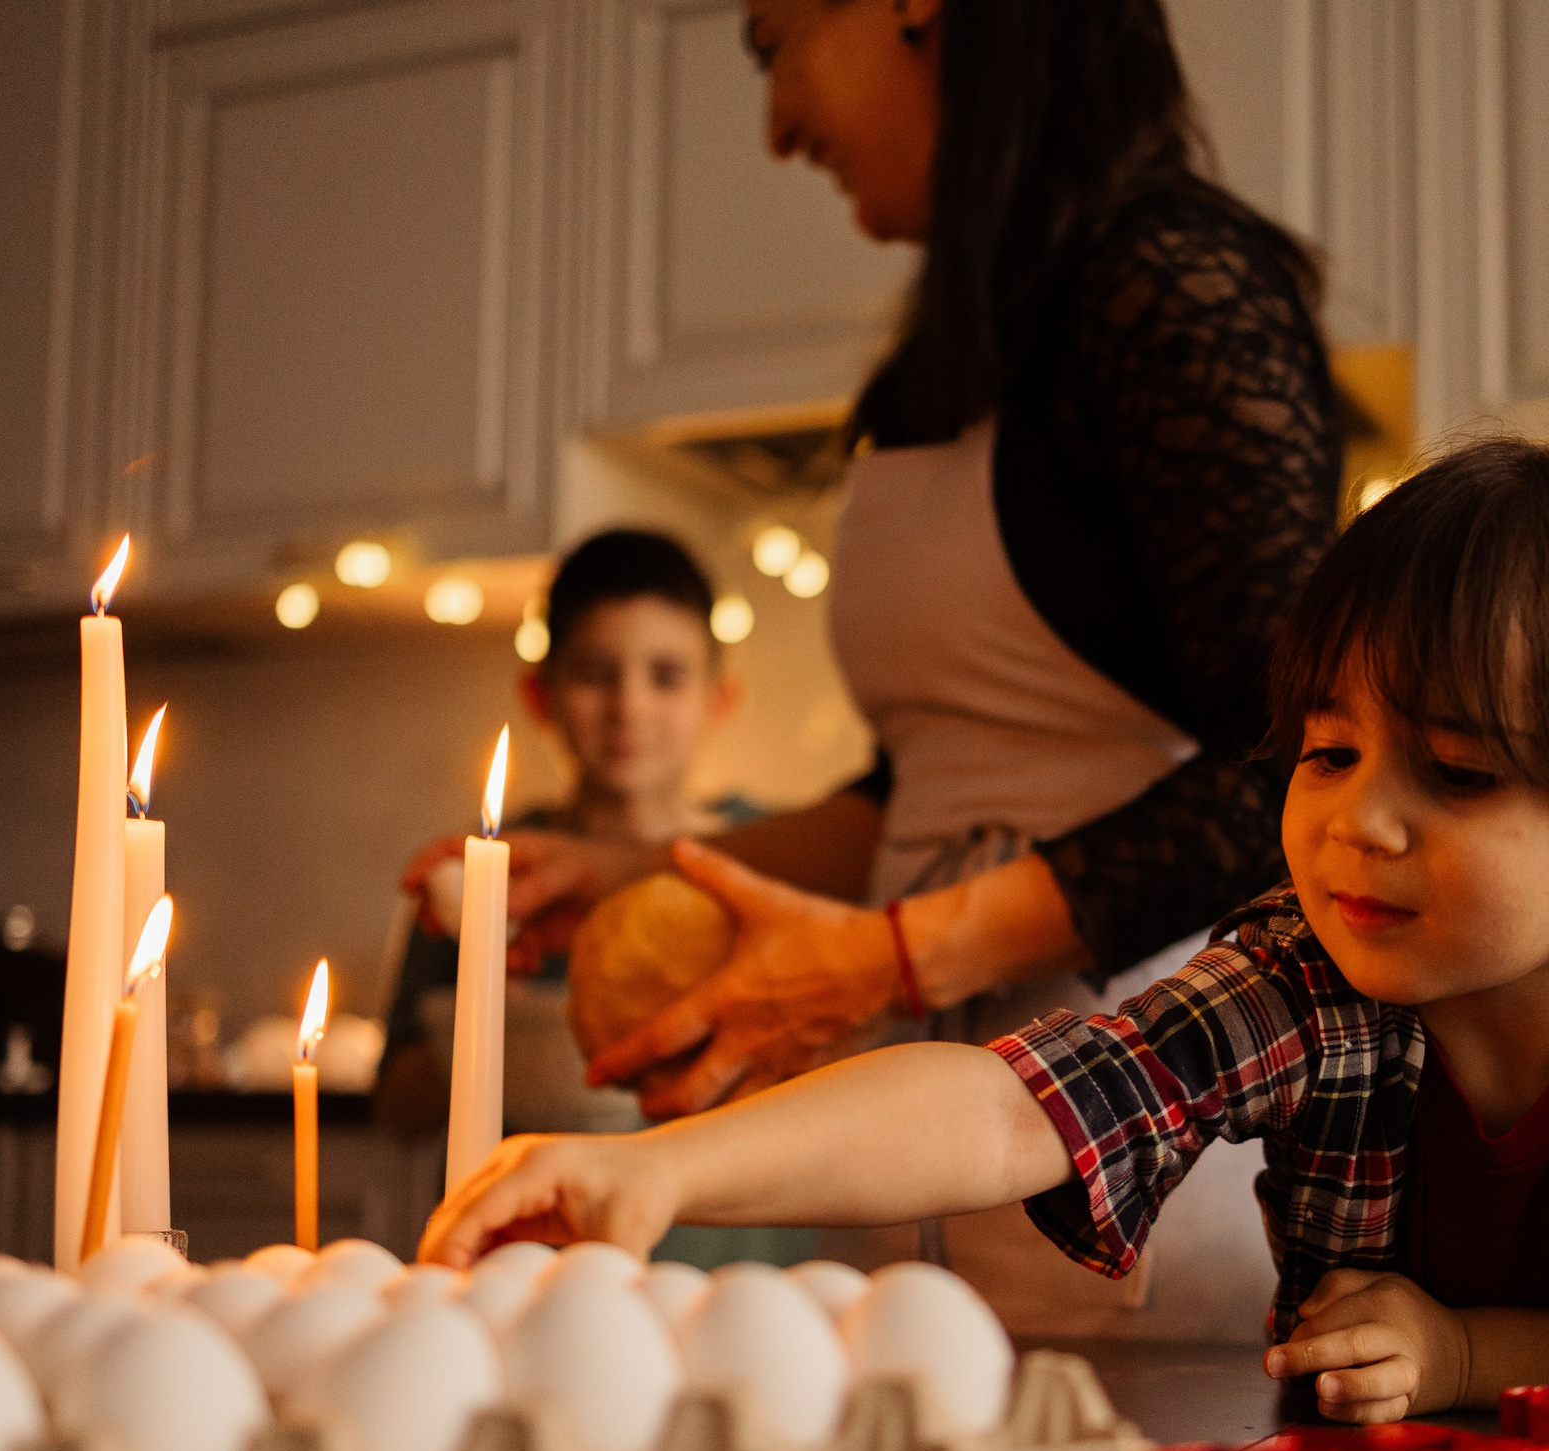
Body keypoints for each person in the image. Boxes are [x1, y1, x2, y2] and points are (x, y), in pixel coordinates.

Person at [422, 439, 1549, 1413]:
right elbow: (1016, 1099)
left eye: (1458, 772)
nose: (1355, 820)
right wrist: (662, 1168)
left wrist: (1468, 1346)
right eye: (1326, 748)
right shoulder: (1321, 977)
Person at [492, 0, 1347, 1335]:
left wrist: (894, 952)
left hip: (1137, 1138)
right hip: (918, 1134)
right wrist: (640, 872)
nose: (777, 130)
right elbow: (930, 787)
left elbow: (1297, 768)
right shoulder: (961, 349)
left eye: (772, 45)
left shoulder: (1175, 282)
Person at [377, 530, 791, 1267]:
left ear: (719, 698)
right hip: (525, 1260)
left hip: (732, 1264)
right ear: (540, 694)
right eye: (597, 673)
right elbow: (396, 1108)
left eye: (665, 675)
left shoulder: (775, 858)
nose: (628, 705)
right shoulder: (489, 876)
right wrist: (481, 1020)